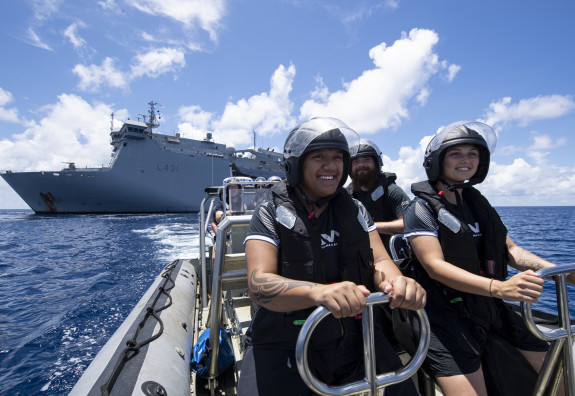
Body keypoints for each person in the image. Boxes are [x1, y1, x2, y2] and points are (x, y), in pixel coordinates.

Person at [237, 117, 426, 395]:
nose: (331, 166)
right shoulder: (268, 213)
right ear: (296, 164)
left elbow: (381, 261)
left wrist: (397, 282)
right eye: (319, 157)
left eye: (338, 157)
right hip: (283, 340)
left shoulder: (357, 211)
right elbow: (258, 283)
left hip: (356, 335)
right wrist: (320, 293)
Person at [402, 120, 575, 396]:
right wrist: (500, 288)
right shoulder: (420, 208)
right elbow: (435, 267)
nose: (466, 160)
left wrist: (560, 272)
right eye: (456, 153)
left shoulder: (477, 204)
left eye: (472, 154)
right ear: (437, 160)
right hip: (444, 314)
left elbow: (510, 251)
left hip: (488, 306)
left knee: (560, 374)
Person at [347, 139, 411, 255]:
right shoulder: (347, 196)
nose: (361, 165)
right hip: (359, 257)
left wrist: (371, 227)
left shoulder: (391, 190)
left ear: (377, 163)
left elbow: (409, 223)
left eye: (366, 160)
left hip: (392, 256)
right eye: (355, 161)